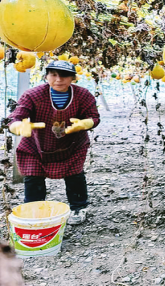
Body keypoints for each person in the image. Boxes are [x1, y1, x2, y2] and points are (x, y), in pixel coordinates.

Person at [8, 60, 100, 225]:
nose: (58, 79)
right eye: (53, 75)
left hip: (73, 144)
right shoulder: (33, 95)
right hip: (36, 145)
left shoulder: (83, 95)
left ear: (73, 78)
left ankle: (78, 208)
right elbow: (15, 116)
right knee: (33, 177)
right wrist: (18, 126)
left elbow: (94, 116)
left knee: (74, 175)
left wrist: (85, 124)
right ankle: (33, 210)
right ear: (46, 76)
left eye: (64, 75)